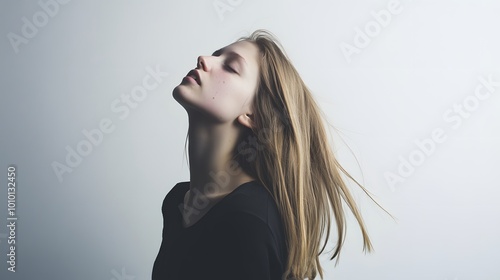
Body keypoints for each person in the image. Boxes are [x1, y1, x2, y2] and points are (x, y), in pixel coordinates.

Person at [152, 30, 383, 280]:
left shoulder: (247, 220)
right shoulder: (178, 203)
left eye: (230, 67)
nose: (203, 59)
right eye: (216, 54)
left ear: (254, 116)